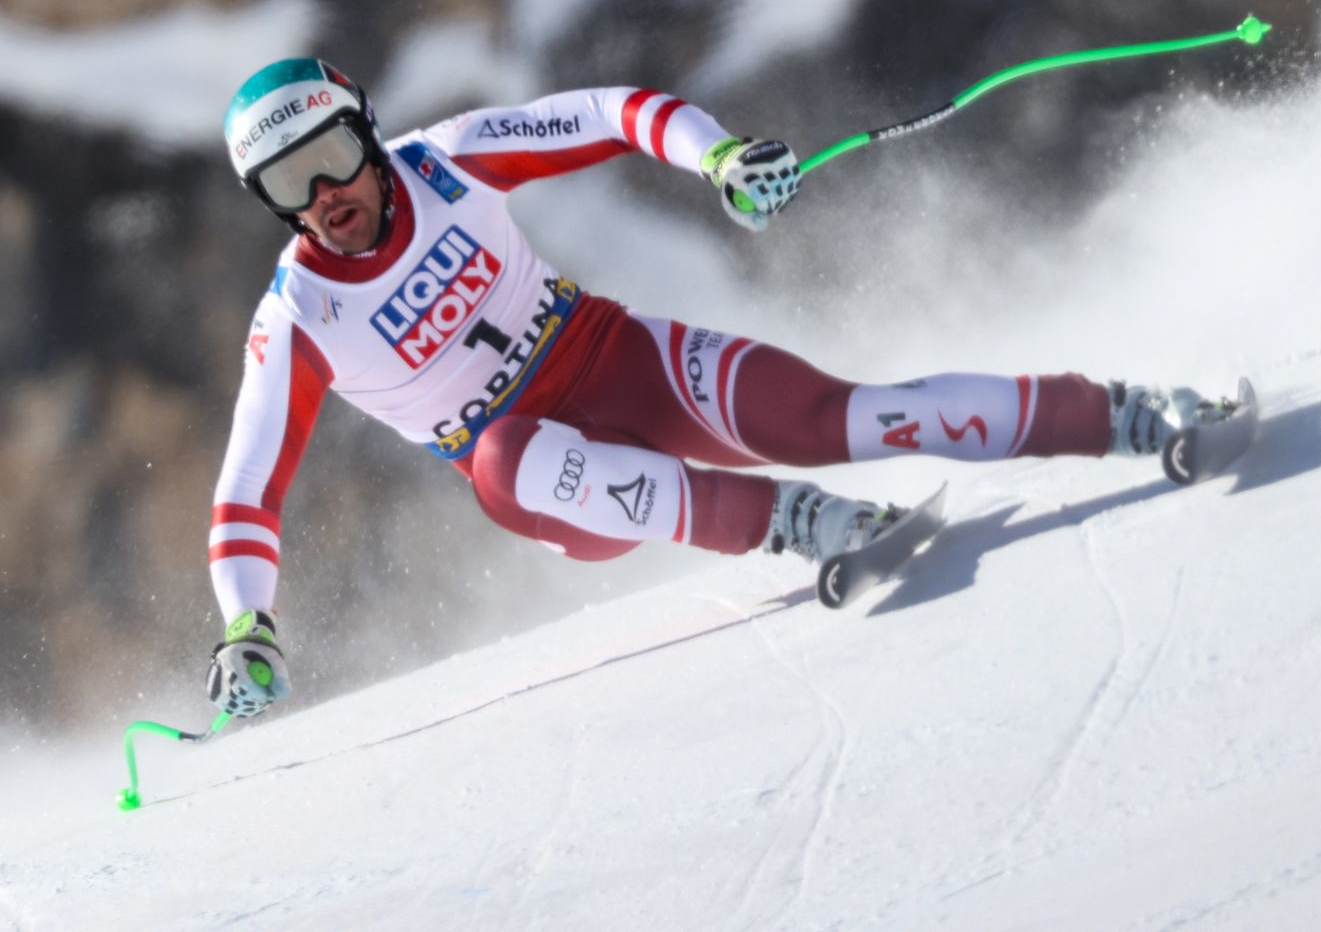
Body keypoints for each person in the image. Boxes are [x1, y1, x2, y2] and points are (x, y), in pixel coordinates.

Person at [205, 58, 1231, 717]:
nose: (327, 196)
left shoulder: (447, 164)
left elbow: (611, 112)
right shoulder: (297, 316)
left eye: (334, 156)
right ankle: (804, 524)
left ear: (369, 133)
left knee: (844, 416)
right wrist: (248, 626)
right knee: (506, 456)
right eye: (291, 186)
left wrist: (721, 156)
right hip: (544, 474)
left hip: (620, 359)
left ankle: (1135, 415)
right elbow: (250, 485)